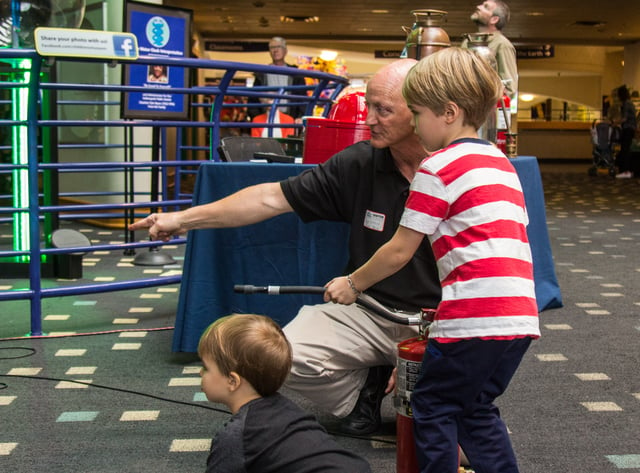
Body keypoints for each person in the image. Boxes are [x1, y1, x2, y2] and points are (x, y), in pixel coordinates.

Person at [128, 58, 442, 436]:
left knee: (447, 414)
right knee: (282, 358)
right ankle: (364, 390)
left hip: (444, 319)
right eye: (368, 105)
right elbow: (269, 198)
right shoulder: (360, 163)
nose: (369, 119)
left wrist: (429, 350)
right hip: (369, 310)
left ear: (419, 110)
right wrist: (180, 220)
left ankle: (422, 382)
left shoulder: (458, 170)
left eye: (383, 110)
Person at [324, 47, 540, 473]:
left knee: (432, 406)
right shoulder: (501, 163)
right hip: (518, 318)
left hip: (472, 318)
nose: (415, 124)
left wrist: (353, 283)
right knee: (475, 408)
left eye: (418, 112)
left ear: (449, 112)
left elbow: (400, 249)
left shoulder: (437, 167)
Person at [198, 313, 372, 473]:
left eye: (206, 367)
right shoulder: (287, 410)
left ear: (232, 381)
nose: (200, 373)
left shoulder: (236, 437)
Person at [462, 1, 518, 101]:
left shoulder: (502, 45)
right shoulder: (467, 42)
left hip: (484, 111)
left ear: (494, 19)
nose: (478, 7)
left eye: (486, 7)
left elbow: (509, 88)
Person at [249, 36, 307, 120]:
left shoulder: (296, 74)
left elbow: (302, 98)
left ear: (285, 51)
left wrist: (300, 117)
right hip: (267, 119)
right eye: (272, 47)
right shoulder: (261, 74)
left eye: (278, 47)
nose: (275, 50)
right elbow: (253, 99)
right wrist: (256, 118)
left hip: (290, 119)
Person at [614, 85, 637, 178]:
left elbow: (624, 118)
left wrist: (615, 123)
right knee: (626, 149)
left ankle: (625, 170)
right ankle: (626, 170)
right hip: (631, 129)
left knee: (625, 149)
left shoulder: (626, 104)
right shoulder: (629, 103)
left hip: (628, 129)